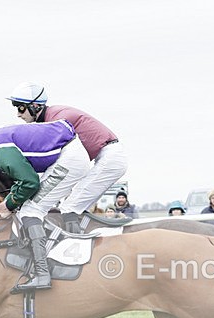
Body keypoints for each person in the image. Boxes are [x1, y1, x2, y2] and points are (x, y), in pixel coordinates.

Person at [0, 114, 90, 291]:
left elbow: (30, 182)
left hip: (70, 158)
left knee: (30, 211)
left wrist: (9, 204)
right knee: (27, 208)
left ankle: (42, 274)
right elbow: (23, 181)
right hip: (69, 154)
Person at [8, 82, 129, 233]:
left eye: (20, 107)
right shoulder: (51, 117)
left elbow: (55, 161)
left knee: (68, 208)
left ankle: (74, 245)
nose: (18, 114)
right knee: (68, 206)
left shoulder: (56, 119)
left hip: (109, 156)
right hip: (106, 155)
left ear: (36, 106)